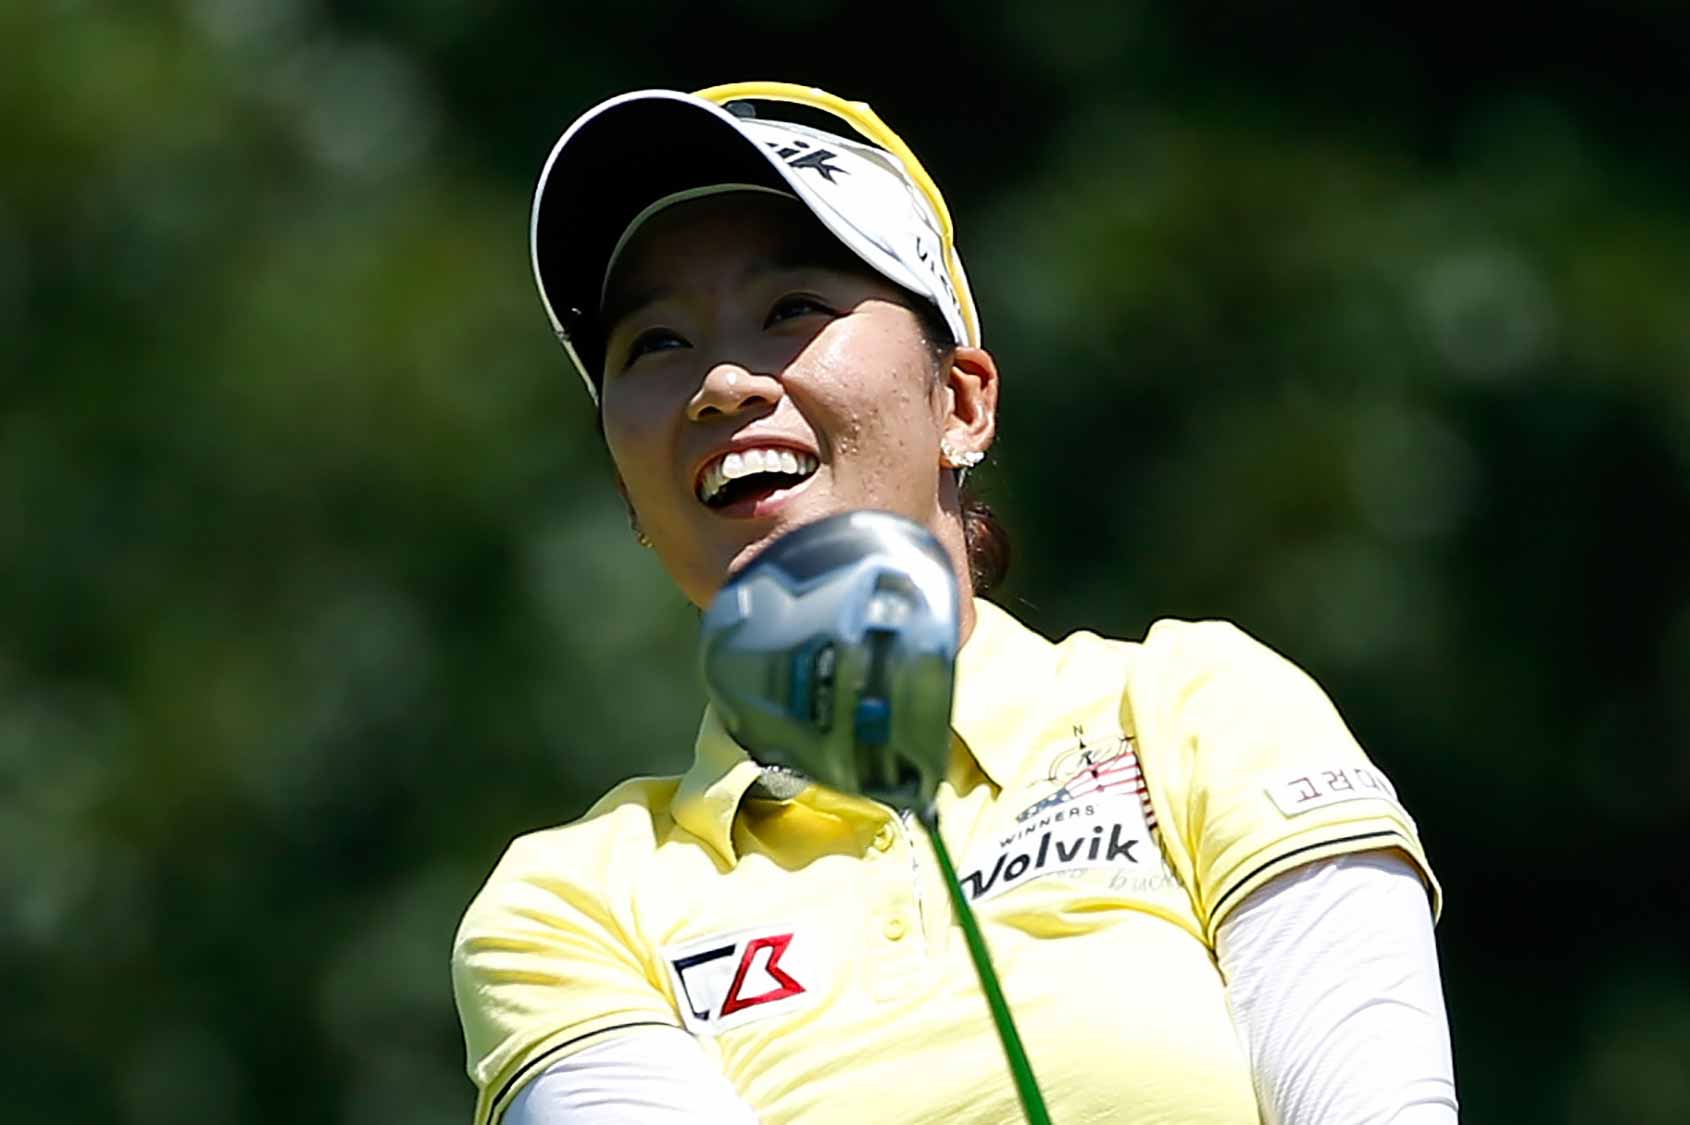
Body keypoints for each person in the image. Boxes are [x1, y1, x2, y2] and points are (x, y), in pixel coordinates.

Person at [452, 81, 1457, 1125]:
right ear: (628, 488)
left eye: (792, 308)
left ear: (962, 401)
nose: (721, 385)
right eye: (653, 343)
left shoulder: (1194, 710)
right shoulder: (569, 904)